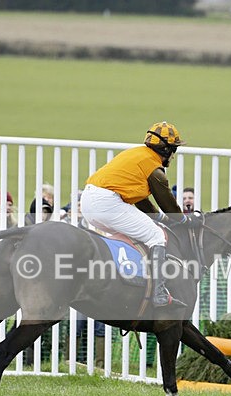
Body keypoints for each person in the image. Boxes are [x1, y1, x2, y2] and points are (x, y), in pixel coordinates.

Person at [80, 121, 187, 308]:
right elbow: (167, 203)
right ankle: (159, 293)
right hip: (107, 202)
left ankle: (131, 282)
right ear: (166, 150)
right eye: (173, 149)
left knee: (133, 235)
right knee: (156, 236)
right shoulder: (154, 168)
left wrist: (161, 218)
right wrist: (183, 219)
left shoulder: (137, 154)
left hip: (89, 201)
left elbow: (138, 199)